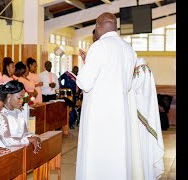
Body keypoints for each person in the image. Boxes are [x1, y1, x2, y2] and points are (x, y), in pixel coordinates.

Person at [75, 12, 137, 180]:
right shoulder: (129, 49)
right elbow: (128, 85)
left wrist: (85, 67)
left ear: (97, 25)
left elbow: (85, 83)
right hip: (120, 116)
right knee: (117, 158)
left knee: (96, 161)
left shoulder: (98, 46)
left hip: (99, 117)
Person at [129, 58, 165, 180]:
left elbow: (132, 90)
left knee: (144, 154)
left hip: (142, 124)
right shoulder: (144, 73)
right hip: (138, 123)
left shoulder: (142, 71)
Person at [0, 80, 41, 154]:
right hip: (1, 153)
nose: (22, 101)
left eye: (23, 98)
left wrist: (35, 137)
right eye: (19, 98)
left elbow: (25, 133)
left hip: (16, 150)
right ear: (9, 96)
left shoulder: (18, 112)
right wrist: (29, 139)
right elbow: (7, 141)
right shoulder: (0, 114)